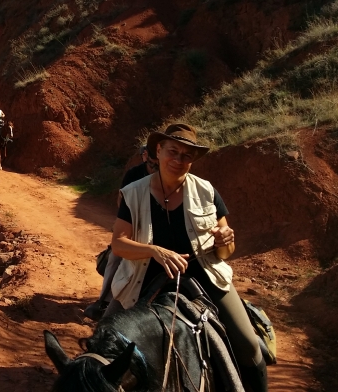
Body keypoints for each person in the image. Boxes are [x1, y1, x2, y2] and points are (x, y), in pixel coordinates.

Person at [108, 123, 267, 392]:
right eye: (173, 151)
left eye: (186, 156)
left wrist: (225, 240)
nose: (178, 160)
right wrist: (154, 251)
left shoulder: (206, 191)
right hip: (144, 278)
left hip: (204, 277)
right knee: (103, 339)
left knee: (249, 345)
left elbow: (225, 250)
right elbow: (119, 244)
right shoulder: (134, 192)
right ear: (158, 151)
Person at [82, 145, 158, 321]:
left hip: (155, 228)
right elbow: (121, 201)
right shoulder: (134, 174)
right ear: (145, 156)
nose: (155, 165)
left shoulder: (164, 177)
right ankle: (104, 301)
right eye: (152, 160)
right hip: (133, 224)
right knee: (116, 259)